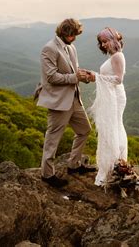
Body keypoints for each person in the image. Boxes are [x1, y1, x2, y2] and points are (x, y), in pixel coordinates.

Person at [36, 18, 96, 188]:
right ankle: (47, 174)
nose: (75, 38)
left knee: (84, 130)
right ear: (65, 32)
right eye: (73, 35)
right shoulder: (49, 48)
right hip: (59, 101)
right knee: (53, 138)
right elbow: (51, 77)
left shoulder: (71, 47)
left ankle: (74, 164)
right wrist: (75, 77)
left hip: (74, 98)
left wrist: (84, 76)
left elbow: (73, 71)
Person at [86, 27, 127, 186]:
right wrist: (95, 76)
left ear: (113, 40)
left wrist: (96, 76)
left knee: (113, 127)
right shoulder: (114, 56)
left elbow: (118, 79)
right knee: (111, 127)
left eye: (105, 41)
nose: (103, 45)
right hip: (112, 95)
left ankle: (114, 164)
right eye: (101, 43)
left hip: (116, 97)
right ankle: (114, 164)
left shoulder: (117, 56)